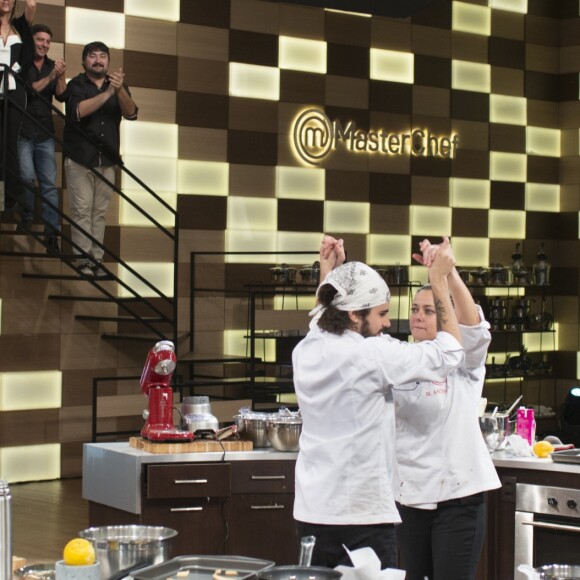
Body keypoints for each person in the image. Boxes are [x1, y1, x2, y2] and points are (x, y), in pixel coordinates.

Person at [291, 235, 465, 570]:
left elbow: (320, 317)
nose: (387, 323)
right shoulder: (373, 354)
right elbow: (451, 352)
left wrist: (331, 271)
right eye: (382, 313)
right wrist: (439, 282)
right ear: (354, 314)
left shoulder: (307, 349)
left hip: (310, 515)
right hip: (362, 519)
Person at [393, 237, 501, 580]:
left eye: (429, 310)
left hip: (459, 498)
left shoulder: (460, 362)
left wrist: (448, 273)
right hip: (408, 497)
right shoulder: (397, 358)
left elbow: (472, 329)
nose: (419, 317)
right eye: (415, 309)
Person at [63, 40, 138, 277]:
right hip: (80, 159)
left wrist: (119, 90)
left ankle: (96, 260)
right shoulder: (76, 84)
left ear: (108, 61)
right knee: (82, 210)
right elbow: (78, 111)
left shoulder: (118, 85)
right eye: (93, 56)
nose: (98, 60)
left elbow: (132, 112)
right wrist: (107, 94)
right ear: (84, 61)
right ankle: (82, 260)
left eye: (103, 56)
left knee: (100, 213)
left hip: (107, 159)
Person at [17, 23, 67, 255]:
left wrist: (61, 75)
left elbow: (62, 95)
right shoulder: (23, 62)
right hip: (23, 131)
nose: (44, 45)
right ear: (32, 41)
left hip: (45, 132)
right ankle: (26, 216)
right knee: (26, 177)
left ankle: (51, 235)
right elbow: (30, 90)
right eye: (40, 40)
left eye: (47, 41)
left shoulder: (51, 66)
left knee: (49, 187)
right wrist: (51, 75)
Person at [0, 0, 35, 214]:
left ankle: (9, 196)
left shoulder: (20, 26)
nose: (5, 1)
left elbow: (31, 5)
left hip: (14, 89)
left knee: (10, 141)